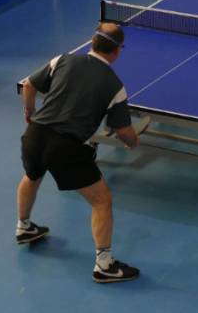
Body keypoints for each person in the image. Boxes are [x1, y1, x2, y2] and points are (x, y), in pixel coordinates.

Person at [16, 22, 141, 284]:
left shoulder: (62, 60)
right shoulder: (115, 86)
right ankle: (104, 265)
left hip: (35, 135)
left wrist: (29, 111)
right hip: (66, 147)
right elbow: (123, 132)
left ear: (92, 42)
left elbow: (28, 85)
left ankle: (24, 226)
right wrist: (133, 142)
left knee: (32, 175)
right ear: (117, 51)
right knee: (102, 201)